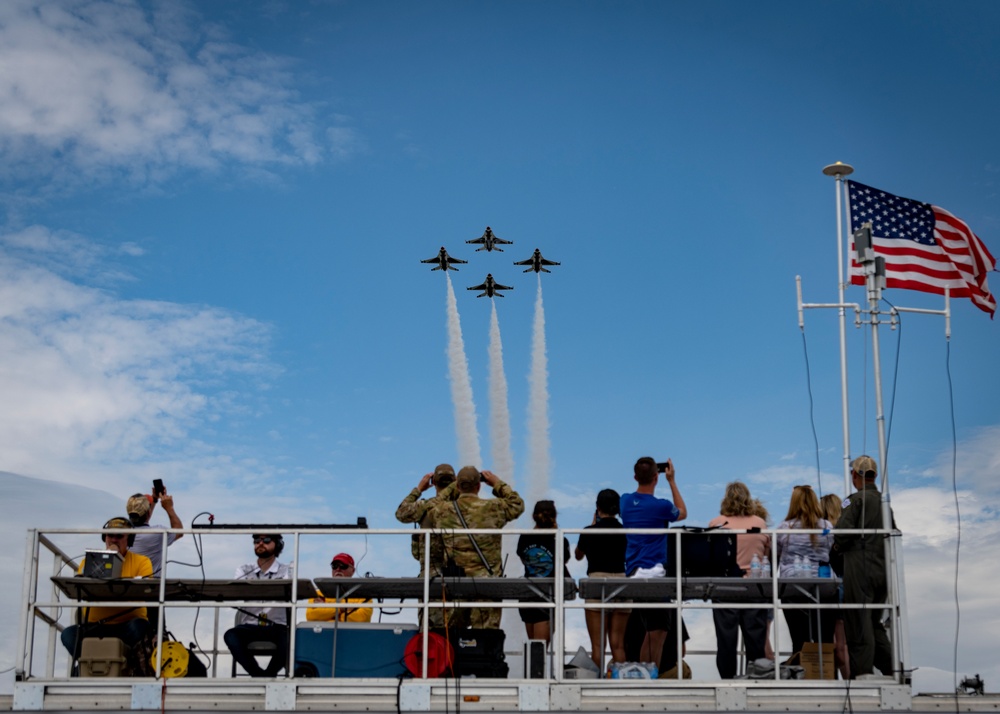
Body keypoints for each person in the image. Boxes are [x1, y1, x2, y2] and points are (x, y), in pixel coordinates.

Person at [425, 465, 524, 629]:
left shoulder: (442, 510)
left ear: (457, 486)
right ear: (479, 486)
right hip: (486, 585)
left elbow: (429, 507)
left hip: (455, 583)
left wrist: (451, 487)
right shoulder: (493, 508)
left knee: (454, 640)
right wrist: (496, 483)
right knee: (484, 641)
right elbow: (517, 504)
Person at [620, 457, 688, 673]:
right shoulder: (661, 506)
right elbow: (682, 512)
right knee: (657, 633)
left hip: (633, 574)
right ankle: (649, 679)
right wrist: (672, 481)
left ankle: (644, 677)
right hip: (655, 575)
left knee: (648, 632)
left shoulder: (625, 501)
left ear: (634, 477)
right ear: (656, 477)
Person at [61, 517, 153, 669]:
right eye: (111, 535)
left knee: (140, 627)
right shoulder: (89, 561)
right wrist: (109, 559)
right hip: (94, 626)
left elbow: (146, 590)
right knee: (68, 635)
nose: (114, 540)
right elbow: (82, 588)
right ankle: (88, 666)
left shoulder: (142, 561)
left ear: (129, 540)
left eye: (119, 536)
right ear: (105, 538)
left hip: (127, 626)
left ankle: (125, 665)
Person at [833, 455, 895, 679]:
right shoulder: (885, 503)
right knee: (874, 621)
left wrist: (837, 548)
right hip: (883, 568)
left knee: (858, 620)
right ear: (874, 476)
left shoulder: (852, 500)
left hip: (859, 567)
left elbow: (841, 533)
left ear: (855, 475)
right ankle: (891, 669)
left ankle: (862, 673)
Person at [707, 481, 770, 679]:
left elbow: (709, 557)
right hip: (754, 586)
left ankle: (727, 680)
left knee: (726, 640)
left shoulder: (716, 523)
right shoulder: (759, 524)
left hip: (725, 586)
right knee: (756, 640)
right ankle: (757, 678)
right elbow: (767, 556)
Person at [775, 485, 834, 656]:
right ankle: (826, 676)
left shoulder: (784, 528)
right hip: (822, 587)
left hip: (791, 587)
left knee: (799, 640)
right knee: (824, 640)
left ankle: (801, 675)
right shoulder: (826, 526)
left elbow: (777, 555)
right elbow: (829, 549)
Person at [223, 534, 291, 677]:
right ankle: (258, 676)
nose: (260, 543)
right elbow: (237, 592)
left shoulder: (287, 570)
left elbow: (289, 591)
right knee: (230, 635)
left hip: (277, 626)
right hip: (250, 625)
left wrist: (253, 589)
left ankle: (268, 676)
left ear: (278, 544)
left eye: (266, 540)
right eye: (256, 540)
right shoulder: (243, 569)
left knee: (292, 639)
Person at [575, 488, 629, 667]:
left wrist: (592, 526)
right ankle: (622, 687)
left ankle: (595, 688)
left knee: (598, 646)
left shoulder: (589, 531)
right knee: (618, 645)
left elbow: (578, 555)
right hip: (621, 581)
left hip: (596, 582)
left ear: (598, 508)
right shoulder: (626, 531)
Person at [516, 500, 570, 645]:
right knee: (539, 649)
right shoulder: (559, 540)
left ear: (534, 516)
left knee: (534, 648)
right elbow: (562, 563)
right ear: (554, 517)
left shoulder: (525, 537)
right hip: (547, 597)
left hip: (528, 595)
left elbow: (524, 560)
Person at [395, 464, 456, 577]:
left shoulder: (424, 506)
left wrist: (418, 490)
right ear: (455, 482)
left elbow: (400, 514)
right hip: (460, 573)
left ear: (434, 482)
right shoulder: (464, 508)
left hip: (430, 575)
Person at [821, 492, 850, 679]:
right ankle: (850, 682)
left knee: (833, 645)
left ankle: (835, 682)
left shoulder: (824, 532)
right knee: (843, 644)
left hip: (827, 588)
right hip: (846, 585)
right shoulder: (846, 533)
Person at [127, 490, 183, 576]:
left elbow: (143, 520)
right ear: (148, 513)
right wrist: (169, 508)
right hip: (152, 586)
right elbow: (179, 531)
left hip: (127, 584)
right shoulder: (158, 533)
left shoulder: (121, 534)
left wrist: (154, 500)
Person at [306, 553, 373, 622]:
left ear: (353, 570)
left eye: (343, 566)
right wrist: (342, 609)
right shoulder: (318, 594)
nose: (338, 569)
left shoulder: (364, 595)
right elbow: (311, 616)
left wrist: (329, 610)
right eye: (334, 566)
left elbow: (362, 618)